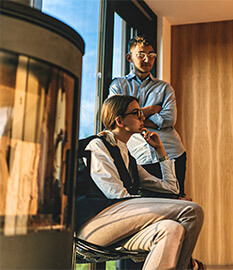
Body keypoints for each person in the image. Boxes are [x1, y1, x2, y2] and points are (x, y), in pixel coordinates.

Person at [75, 95, 204, 270]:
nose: (143, 117)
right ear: (119, 121)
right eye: (137, 113)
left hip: (120, 223)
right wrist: (172, 205)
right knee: (193, 211)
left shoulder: (128, 157)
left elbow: (170, 188)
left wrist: (160, 151)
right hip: (95, 225)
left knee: (172, 229)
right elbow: (117, 197)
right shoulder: (98, 145)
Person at [109, 35, 187, 198]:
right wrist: (151, 110)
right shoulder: (118, 85)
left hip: (172, 152)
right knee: (146, 203)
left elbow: (169, 120)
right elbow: (114, 117)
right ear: (129, 57)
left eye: (151, 55)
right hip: (138, 155)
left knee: (175, 200)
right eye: (141, 54)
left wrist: (133, 118)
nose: (147, 59)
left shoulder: (164, 88)